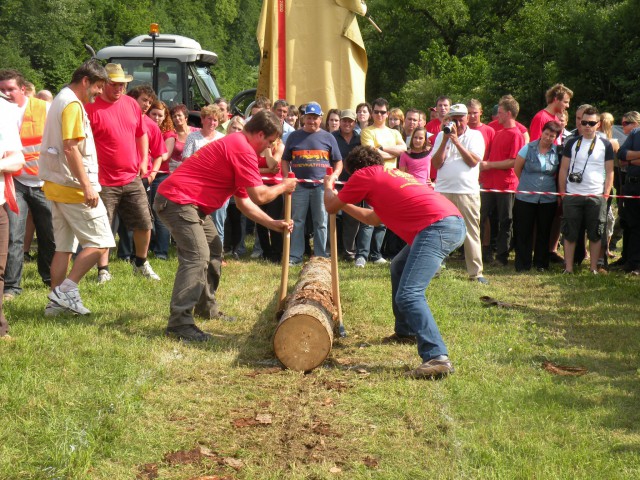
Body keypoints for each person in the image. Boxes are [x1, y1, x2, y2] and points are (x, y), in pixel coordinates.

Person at [324, 145, 465, 379]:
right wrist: (343, 203)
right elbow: (374, 218)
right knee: (398, 266)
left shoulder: (364, 175)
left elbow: (330, 205)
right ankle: (406, 331)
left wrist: (329, 187)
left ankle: (436, 356)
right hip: (449, 223)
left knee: (409, 294)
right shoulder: (392, 174)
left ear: (355, 170)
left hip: (436, 227)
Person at [154, 110, 297, 342]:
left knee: (213, 250)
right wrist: (284, 186)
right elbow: (260, 195)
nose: (268, 148)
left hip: (191, 204)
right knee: (197, 256)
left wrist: (272, 224)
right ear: (260, 134)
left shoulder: (239, 146)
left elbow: (244, 203)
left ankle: (205, 307)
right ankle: (179, 323)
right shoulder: (242, 148)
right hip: (177, 200)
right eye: (269, 142)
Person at [38, 60, 116, 316]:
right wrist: (87, 186)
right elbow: (70, 147)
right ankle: (65, 292)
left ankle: (55, 306)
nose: (98, 93)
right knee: (101, 240)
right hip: (74, 187)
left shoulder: (61, 98)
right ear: (86, 81)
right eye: (97, 87)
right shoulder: (72, 104)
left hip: (57, 185)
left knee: (64, 247)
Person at [85, 63, 160, 283]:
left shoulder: (131, 104)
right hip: (103, 180)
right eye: (114, 84)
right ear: (103, 83)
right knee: (103, 227)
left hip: (131, 177)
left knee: (145, 222)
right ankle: (103, 270)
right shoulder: (90, 107)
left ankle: (141, 263)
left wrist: (144, 159)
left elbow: (141, 134)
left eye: (123, 84)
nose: (119, 88)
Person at [0, 69, 55, 300]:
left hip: (44, 181)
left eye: (10, 89)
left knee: (49, 233)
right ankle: (12, 287)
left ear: (23, 89)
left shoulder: (44, 108)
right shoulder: (3, 112)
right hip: (16, 181)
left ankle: (50, 276)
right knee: (14, 235)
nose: (6, 94)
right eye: (1, 90)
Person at [431, 103, 488, 284]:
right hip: (443, 190)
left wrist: (456, 141)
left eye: (460, 119)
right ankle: (435, 268)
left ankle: (476, 273)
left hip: (466, 191)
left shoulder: (476, 136)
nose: (457, 123)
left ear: (467, 118)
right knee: (437, 231)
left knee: (471, 231)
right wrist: (446, 140)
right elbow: (436, 164)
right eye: (453, 119)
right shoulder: (442, 135)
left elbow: (473, 161)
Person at [282, 102, 342, 265]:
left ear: (320, 118)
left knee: (321, 222)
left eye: (315, 118)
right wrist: (288, 177)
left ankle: (321, 256)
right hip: (299, 186)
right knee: (297, 221)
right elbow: (285, 160)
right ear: (303, 118)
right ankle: (295, 256)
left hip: (321, 188)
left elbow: (338, 161)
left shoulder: (328, 137)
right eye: (309, 118)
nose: (312, 121)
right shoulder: (294, 136)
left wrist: (334, 176)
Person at [558, 107, 614, 274]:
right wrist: (562, 192)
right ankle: (568, 268)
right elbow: (563, 169)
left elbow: (610, 171)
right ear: (580, 123)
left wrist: (605, 194)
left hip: (596, 195)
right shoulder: (572, 143)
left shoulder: (605, 145)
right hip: (573, 194)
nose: (587, 126)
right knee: (569, 232)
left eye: (591, 123)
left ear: (598, 124)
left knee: (596, 233)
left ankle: (593, 268)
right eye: (584, 123)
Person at [479, 95, 525, 266]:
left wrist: (490, 165)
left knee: (505, 220)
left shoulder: (516, 135)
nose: (497, 115)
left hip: (506, 184)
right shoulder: (497, 132)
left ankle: (502, 256)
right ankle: (483, 251)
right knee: (481, 216)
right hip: (490, 183)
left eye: (500, 112)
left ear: (509, 113)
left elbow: (514, 161)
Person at [360, 98, 407, 264]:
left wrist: (382, 149)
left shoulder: (394, 132)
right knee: (368, 219)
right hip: (373, 179)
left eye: (382, 112)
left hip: (390, 180)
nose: (379, 115)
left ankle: (376, 254)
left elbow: (403, 150)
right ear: (372, 113)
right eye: (376, 111)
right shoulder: (367, 131)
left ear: (387, 114)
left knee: (384, 220)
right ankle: (362, 255)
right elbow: (370, 154)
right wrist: (391, 153)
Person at [512, 121, 562, 271]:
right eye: (546, 134)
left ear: (555, 137)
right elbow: (517, 169)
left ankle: (541, 263)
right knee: (523, 230)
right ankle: (522, 263)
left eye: (551, 136)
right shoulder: (528, 148)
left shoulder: (557, 152)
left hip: (548, 198)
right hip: (525, 197)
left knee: (544, 230)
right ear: (542, 132)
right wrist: (528, 184)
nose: (547, 138)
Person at [0, 94, 26, 336]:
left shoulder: (4, 110)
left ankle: (0, 328)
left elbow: (17, 158)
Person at [332, 109, 364, 263]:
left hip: (354, 184)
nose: (347, 124)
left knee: (352, 218)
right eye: (344, 120)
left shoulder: (360, 138)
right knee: (332, 216)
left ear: (354, 123)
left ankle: (349, 252)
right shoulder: (332, 137)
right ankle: (331, 249)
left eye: (350, 121)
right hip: (336, 182)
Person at [147, 100, 174, 259]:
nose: (156, 118)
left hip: (160, 176)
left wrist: (147, 151)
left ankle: (161, 251)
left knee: (159, 213)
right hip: (144, 174)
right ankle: (148, 246)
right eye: (154, 114)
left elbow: (165, 155)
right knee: (146, 213)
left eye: (160, 115)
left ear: (165, 117)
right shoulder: (143, 128)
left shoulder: (168, 134)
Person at [617, 111, 640, 274]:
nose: (624, 126)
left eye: (627, 123)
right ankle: (631, 262)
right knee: (631, 225)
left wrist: (631, 159)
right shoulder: (635, 133)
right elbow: (622, 155)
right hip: (632, 186)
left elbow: (627, 158)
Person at [166, 104, 199, 173]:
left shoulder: (197, 132)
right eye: (174, 116)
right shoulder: (171, 135)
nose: (177, 118)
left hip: (195, 169)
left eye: (179, 115)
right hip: (175, 170)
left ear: (185, 117)